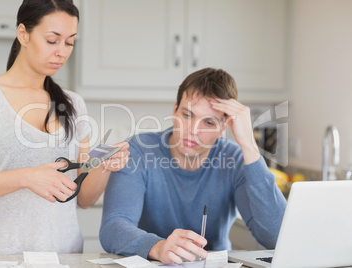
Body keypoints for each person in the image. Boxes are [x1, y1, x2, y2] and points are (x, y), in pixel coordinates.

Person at [0, 0, 129, 254]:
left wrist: (104, 166)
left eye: (69, 42)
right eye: (52, 40)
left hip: (63, 256)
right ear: (23, 33)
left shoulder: (74, 104)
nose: (62, 52)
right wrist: (26, 177)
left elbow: (84, 199)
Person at [100, 67, 286, 264]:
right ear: (174, 111)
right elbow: (113, 227)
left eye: (208, 122)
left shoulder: (234, 158)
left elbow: (277, 237)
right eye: (187, 115)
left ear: (224, 127)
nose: (193, 130)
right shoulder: (139, 151)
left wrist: (248, 145)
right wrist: (159, 247)